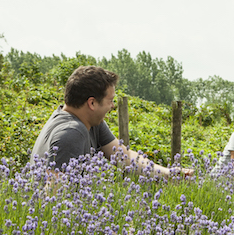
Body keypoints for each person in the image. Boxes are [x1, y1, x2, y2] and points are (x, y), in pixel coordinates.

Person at [32, 65, 190, 178]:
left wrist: (170, 174)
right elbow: (54, 198)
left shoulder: (89, 122)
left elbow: (125, 156)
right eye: (110, 100)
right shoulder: (72, 132)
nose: (113, 106)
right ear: (92, 103)